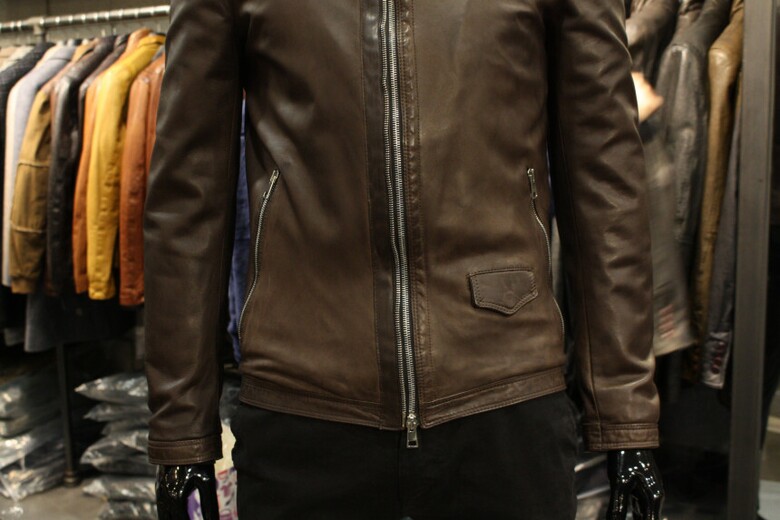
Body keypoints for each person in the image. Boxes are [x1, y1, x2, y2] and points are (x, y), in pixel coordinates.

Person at [144, 1, 664, 518]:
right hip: (304, 402)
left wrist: (625, 415)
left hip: (504, 393)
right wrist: (182, 431)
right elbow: (187, 199)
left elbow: (605, 183)